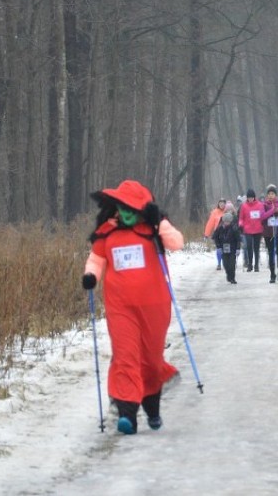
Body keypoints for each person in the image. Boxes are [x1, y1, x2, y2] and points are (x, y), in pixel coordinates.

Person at [81, 179, 185, 435]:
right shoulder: (107, 232)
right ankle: (127, 413)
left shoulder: (153, 227)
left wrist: (159, 222)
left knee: (150, 359)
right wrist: (91, 276)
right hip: (121, 307)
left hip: (155, 305)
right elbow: (96, 259)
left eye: (132, 209)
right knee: (126, 355)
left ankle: (152, 409)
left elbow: (177, 243)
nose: (126, 213)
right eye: (122, 207)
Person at [260, 184, 278, 283]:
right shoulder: (264, 205)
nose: (271, 195)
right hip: (268, 233)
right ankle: (272, 274)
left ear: (276, 195)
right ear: (267, 195)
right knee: (271, 253)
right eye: (269, 194)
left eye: (272, 193)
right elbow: (262, 217)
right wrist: (272, 211)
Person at [238, 189, 264, 272]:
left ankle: (256, 265)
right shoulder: (244, 206)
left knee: (256, 248)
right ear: (247, 198)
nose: (250, 199)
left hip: (258, 229)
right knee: (249, 247)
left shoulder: (260, 205)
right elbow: (241, 218)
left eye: (252, 197)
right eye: (249, 197)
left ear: (254, 197)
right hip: (247, 230)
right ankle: (250, 264)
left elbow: (262, 216)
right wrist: (240, 224)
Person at [212, 212, 241, 284]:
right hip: (223, 248)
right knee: (225, 264)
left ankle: (232, 278)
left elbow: (238, 239)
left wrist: (238, 248)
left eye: (228, 221)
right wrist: (218, 246)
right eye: (225, 221)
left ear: (231, 221)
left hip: (232, 249)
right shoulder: (219, 228)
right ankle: (228, 275)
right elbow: (215, 237)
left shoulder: (234, 228)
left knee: (232, 264)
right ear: (223, 221)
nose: (226, 223)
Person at [204, 198, 227, 270]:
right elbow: (210, 223)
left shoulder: (228, 211)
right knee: (219, 249)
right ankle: (219, 264)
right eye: (220, 203)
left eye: (223, 203)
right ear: (218, 204)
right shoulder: (215, 212)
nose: (222, 204)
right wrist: (206, 234)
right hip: (218, 234)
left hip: (227, 233)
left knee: (226, 249)